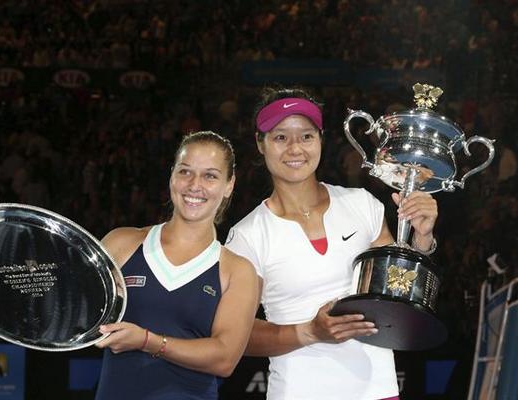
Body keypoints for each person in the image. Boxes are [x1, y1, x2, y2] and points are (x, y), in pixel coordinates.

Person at [225, 87, 439, 400]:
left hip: (377, 391)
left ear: (320, 139)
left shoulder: (362, 204)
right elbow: (235, 335)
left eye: (306, 136)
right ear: (261, 143)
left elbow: (398, 295)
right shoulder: (247, 235)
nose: (295, 148)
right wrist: (309, 332)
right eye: (280, 137)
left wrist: (422, 237)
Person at [94, 131, 259, 400]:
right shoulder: (122, 243)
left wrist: (148, 341)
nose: (195, 185)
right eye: (185, 172)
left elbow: (225, 359)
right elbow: (68, 303)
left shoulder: (236, 270)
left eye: (210, 176)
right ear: (172, 175)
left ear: (229, 185)